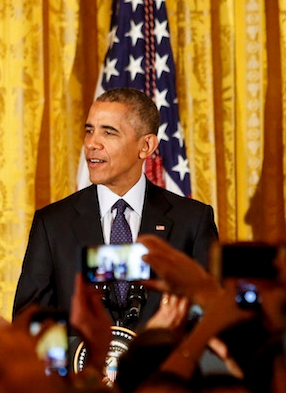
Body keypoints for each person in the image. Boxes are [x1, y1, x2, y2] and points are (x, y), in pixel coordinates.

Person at [13, 87, 218, 327]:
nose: (91, 144)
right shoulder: (53, 223)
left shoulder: (192, 221)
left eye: (108, 133)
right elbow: (30, 324)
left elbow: (212, 316)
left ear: (146, 146)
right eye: (89, 131)